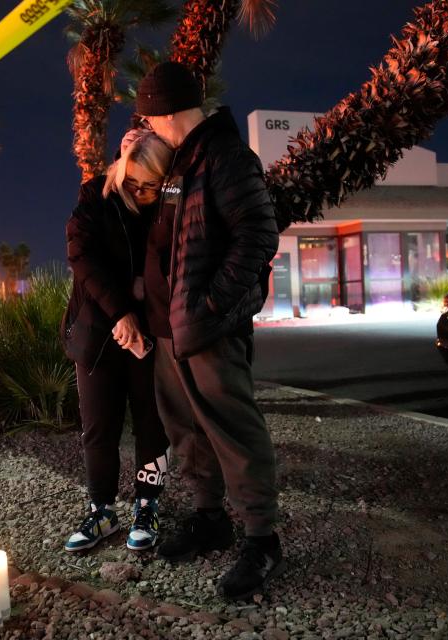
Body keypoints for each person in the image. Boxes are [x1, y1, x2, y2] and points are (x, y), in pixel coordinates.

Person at [134, 61, 283, 600]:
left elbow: (258, 235)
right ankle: (209, 518)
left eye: (148, 118)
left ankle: (261, 539)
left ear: (167, 111)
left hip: (209, 327)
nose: (146, 126)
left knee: (234, 432)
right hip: (171, 328)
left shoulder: (225, 156)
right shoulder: (182, 161)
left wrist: (214, 302)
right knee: (189, 433)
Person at [61, 129, 174, 553]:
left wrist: (144, 293)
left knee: (152, 422)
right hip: (97, 333)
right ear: (120, 169)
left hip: (149, 334)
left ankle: (147, 506)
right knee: (98, 428)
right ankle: (101, 510)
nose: (141, 193)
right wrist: (123, 309)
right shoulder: (96, 196)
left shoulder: (166, 205)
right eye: (133, 183)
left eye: (151, 185)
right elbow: (82, 256)